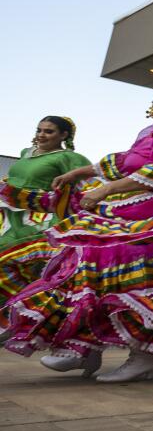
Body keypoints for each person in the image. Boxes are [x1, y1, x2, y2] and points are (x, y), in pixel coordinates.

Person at [3, 85, 153, 381]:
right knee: (85, 266)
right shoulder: (151, 133)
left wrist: (105, 190)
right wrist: (79, 174)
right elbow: (122, 162)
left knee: (129, 274)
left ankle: (142, 356)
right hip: (127, 208)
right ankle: (83, 347)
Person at [0, 117, 91, 304]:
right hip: (7, 212)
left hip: (36, 218)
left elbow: (87, 185)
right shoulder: (26, 152)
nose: (41, 135)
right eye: (39, 130)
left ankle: (19, 306)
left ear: (64, 135)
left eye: (49, 131)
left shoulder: (69, 158)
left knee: (8, 253)